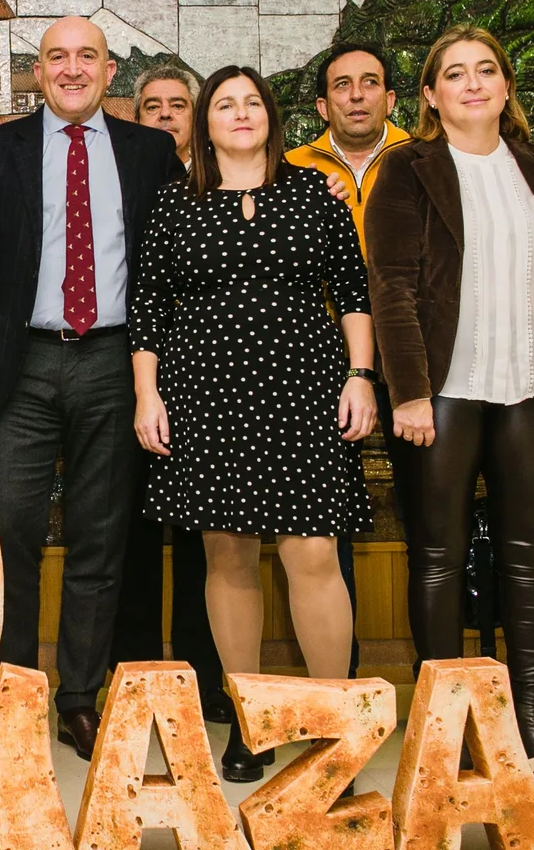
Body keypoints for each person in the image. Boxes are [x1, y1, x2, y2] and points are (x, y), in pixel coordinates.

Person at [364, 24, 534, 783]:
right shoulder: (409, 169)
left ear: (505, 87)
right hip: (443, 391)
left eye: (486, 71)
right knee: (438, 554)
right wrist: (408, 392)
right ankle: (448, 720)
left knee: (531, 556)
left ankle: (528, 719)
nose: (473, 83)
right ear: (430, 94)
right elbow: (391, 289)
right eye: (454, 74)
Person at [0, 16, 181, 760]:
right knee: (6, 535)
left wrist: (164, 377)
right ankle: (12, 693)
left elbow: (171, 271)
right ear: (37, 72)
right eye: (56, 57)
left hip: (116, 364)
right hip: (22, 365)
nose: (71, 68)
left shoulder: (151, 152)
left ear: (111, 72)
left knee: (99, 539)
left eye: (87, 56)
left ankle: (79, 695)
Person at [131, 65, 376, 782]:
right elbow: (148, 308)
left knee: (313, 557)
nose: (240, 113)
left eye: (252, 103)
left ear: (272, 116)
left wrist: (360, 376)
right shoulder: (174, 204)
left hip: (305, 393)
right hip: (205, 396)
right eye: (225, 104)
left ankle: (335, 732)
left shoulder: (313, 192)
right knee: (229, 559)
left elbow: (353, 290)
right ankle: (250, 719)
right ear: (205, 124)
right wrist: (149, 396)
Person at [286, 42, 422, 661]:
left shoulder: (425, 162)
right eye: (343, 86)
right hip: (321, 363)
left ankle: (437, 675)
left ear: (391, 99)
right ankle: (341, 677)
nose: (357, 95)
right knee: (325, 519)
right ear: (323, 103)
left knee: (427, 515)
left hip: (419, 356)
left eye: (370, 83)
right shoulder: (290, 170)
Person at [111, 64, 232, 721]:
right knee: (129, 530)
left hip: (211, 378)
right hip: (133, 373)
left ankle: (203, 675)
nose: (164, 115)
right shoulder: (125, 179)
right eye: (150, 105)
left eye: (177, 104)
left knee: (203, 536)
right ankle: (134, 676)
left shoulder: (232, 182)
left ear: (199, 113)